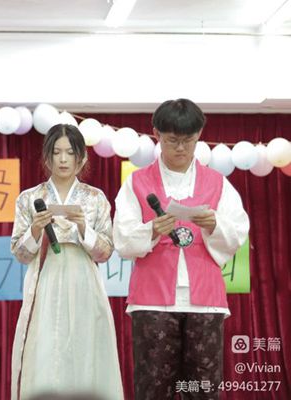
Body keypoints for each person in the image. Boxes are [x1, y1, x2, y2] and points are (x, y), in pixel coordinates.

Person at [113, 99, 250, 399]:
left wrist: (214, 224)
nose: (180, 148)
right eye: (172, 140)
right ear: (156, 134)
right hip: (152, 300)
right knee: (152, 388)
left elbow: (238, 231)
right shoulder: (136, 183)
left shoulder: (218, 183)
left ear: (199, 135)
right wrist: (152, 230)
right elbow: (122, 239)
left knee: (204, 389)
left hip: (206, 301)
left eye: (188, 140)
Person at [10, 124, 124, 400]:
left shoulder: (95, 198)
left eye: (70, 153)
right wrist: (35, 229)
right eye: (57, 152)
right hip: (44, 281)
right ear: (47, 156)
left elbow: (106, 252)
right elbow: (20, 254)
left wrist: (84, 228)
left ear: (81, 158)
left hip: (84, 283)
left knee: (87, 351)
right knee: (44, 350)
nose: (63, 159)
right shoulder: (29, 198)